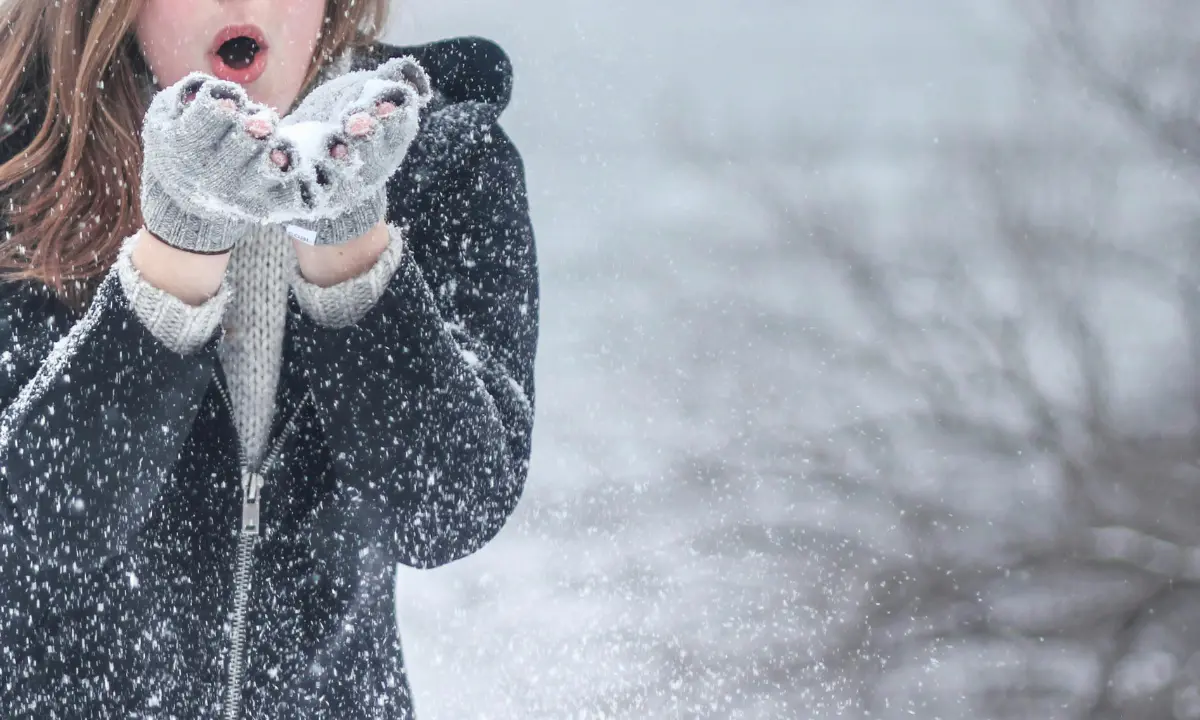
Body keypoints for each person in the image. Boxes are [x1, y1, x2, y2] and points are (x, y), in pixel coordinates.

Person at [0, 0, 538, 716]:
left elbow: (447, 512)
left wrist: (349, 242)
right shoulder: (21, 164)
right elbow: (35, 530)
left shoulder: (441, 158)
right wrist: (178, 250)